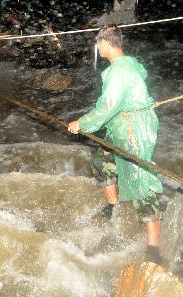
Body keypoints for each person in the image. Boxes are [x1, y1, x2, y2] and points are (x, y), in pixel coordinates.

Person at [67, 25, 163, 264]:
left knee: (142, 183)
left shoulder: (120, 72)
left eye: (98, 44)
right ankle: (113, 204)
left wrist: (81, 123)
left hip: (134, 132)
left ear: (106, 44)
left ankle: (153, 249)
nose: (97, 49)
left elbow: (107, 107)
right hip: (122, 127)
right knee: (101, 161)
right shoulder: (126, 65)